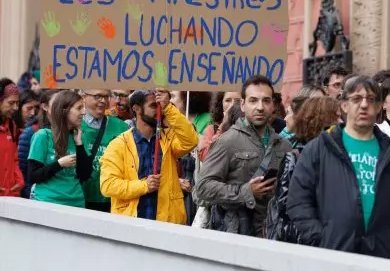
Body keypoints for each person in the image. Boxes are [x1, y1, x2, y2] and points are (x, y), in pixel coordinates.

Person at [287, 75, 390, 258]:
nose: (363, 105)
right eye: (356, 99)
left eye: (371, 99)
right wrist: (322, 238)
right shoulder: (320, 149)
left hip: (382, 255)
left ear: (379, 107)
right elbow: (298, 201)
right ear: (344, 105)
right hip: (334, 255)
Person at [194, 75, 293, 236]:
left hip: (274, 235)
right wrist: (245, 192)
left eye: (266, 100)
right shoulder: (228, 141)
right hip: (236, 235)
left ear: (273, 105)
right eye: (253, 100)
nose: (260, 107)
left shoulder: (284, 145)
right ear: (243, 105)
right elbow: (203, 188)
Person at [100, 89, 198, 223]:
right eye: (153, 106)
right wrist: (144, 185)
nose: (159, 110)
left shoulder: (167, 139)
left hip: (166, 222)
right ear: (137, 109)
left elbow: (191, 140)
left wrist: (168, 107)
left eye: (160, 106)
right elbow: (108, 185)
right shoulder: (118, 145)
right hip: (132, 223)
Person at [266, 96, 341, 242]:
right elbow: (287, 208)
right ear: (322, 121)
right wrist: (318, 235)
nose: (341, 122)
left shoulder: (341, 154)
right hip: (304, 242)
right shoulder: (295, 158)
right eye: (337, 117)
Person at [28, 90, 92, 207]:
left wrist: (79, 145)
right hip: (48, 202)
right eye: (79, 108)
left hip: (76, 202)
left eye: (83, 108)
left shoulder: (80, 136)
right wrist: (59, 164)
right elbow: (33, 176)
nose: (84, 112)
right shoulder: (43, 136)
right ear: (64, 110)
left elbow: (85, 175)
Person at [80, 89, 129, 212]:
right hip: (79, 197)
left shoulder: (121, 127)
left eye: (106, 97)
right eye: (97, 96)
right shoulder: (73, 124)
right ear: (83, 97)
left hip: (111, 199)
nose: (102, 101)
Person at [18, 89, 59, 198]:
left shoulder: (72, 134)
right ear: (45, 107)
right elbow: (24, 171)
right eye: (29, 108)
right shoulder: (32, 133)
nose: (32, 112)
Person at [0, 79, 22, 197]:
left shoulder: (12, 127)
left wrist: (19, 180)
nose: (15, 108)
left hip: (10, 195)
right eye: (11, 103)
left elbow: (14, 159)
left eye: (17, 103)